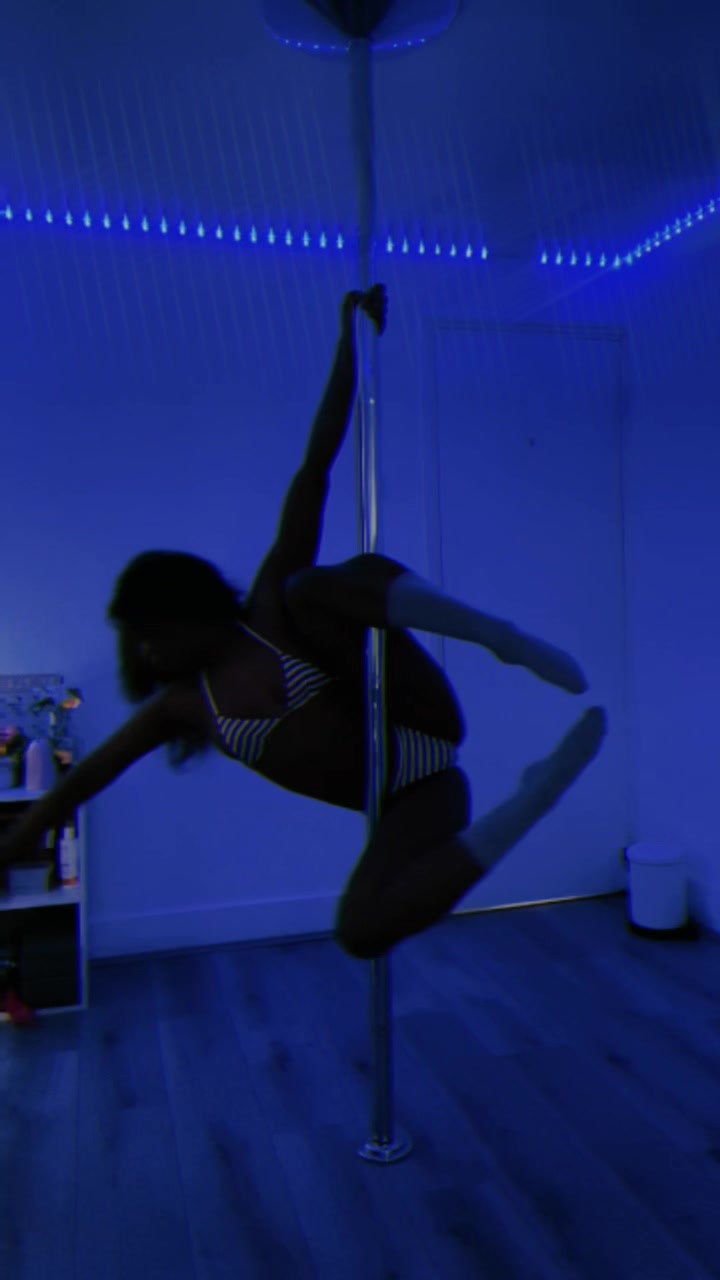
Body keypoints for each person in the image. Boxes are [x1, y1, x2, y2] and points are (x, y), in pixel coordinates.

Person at [0, 285, 607, 958]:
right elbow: (86, 779)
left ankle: (500, 637)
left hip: (421, 718)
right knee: (360, 931)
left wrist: (350, 341)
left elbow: (315, 466)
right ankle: (536, 797)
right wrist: (14, 843)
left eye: (150, 635)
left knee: (308, 586)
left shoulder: (264, 609)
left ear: (185, 613)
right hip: (415, 792)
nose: (145, 653)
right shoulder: (183, 707)